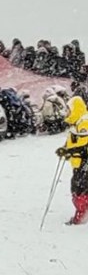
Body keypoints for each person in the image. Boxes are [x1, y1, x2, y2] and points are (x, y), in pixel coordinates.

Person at [58, 96, 88, 225]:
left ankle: (82, 215)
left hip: (85, 162)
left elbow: (85, 147)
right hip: (79, 162)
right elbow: (73, 142)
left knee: (79, 188)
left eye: (69, 109)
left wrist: (69, 151)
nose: (67, 112)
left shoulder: (84, 123)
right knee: (78, 186)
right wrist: (65, 149)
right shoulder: (76, 122)